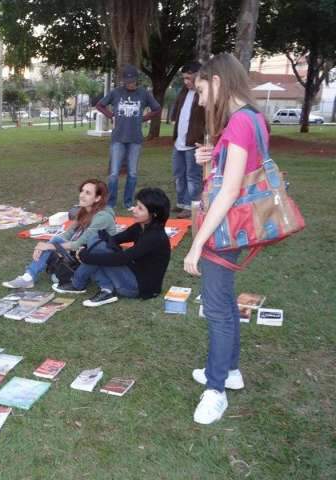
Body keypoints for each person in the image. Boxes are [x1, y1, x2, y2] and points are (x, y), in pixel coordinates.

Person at [183, 53, 269, 425]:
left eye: (201, 90)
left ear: (217, 82)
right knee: (225, 304)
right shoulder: (251, 119)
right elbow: (227, 175)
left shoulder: (238, 124)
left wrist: (197, 242)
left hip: (223, 229)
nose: (200, 100)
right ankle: (230, 371)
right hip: (234, 228)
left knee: (217, 310)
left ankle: (215, 389)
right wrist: (208, 157)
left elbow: (229, 190)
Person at [54, 188, 171, 308]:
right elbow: (114, 239)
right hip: (133, 271)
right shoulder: (140, 227)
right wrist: (86, 247)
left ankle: (77, 283)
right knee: (96, 240)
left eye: (140, 208)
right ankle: (107, 289)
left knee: (98, 251)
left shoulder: (154, 236)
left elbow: (121, 258)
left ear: (154, 214)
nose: (134, 210)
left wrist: (87, 256)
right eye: (136, 205)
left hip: (140, 287)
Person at [2, 179, 116, 289]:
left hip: (95, 256)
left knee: (54, 260)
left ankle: (30, 277)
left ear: (97, 198)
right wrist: (46, 245)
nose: (82, 195)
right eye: (82, 191)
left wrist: (49, 246)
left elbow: (79, 243)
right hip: (81, 251)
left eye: (88, 193)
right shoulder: (83, 211)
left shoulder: (103, 217)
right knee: (55, 241)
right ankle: (28, 277)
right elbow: (68, 234)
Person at [96, 65, 161, 210]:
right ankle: (111, 202)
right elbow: (99, 105)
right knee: (114, 173)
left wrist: (144, 118)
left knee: (132, 173)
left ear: (137, 80)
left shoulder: (143, 93)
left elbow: (157, 108)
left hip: (135, 139)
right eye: (127, 81)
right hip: (118, 138)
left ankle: (127, 202)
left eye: (132, 81)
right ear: (123, 81)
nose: (130, 84)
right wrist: (111, 116)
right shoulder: (116, 93)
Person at [171, 62, 206, 219]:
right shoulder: (184, 92)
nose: (186, 82)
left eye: (189, 78)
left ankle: (192, 206)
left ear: (198, 76)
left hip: (194, 143)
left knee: (193, 176)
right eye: (184, 78)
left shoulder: (204, 93)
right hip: (179, 142)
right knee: (179, 174)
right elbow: (177, 108)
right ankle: (181, 203)